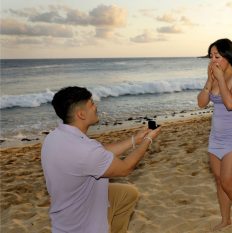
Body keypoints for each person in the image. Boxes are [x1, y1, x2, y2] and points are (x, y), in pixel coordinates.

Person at [41, 86, 161, 233]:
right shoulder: (85, 150)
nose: (95, 106)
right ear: (81, 114)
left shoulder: (55, 137)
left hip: (67, 210)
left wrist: (135, 139)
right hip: (81, 226)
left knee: (128, 194)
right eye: (91, 104)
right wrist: (148, 139)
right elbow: (125, 168)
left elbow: (100, 153)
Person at [197, 39, 232, 233]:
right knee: (220, 180)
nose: (213, 60)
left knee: (228, 182)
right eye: (211, 56)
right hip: (216, 137)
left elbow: (230, 104)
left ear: (228, 56)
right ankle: (226, 220)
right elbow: (201, 103)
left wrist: (220, 78)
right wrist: (210, 80)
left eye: (217, 56)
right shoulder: (214, 75)